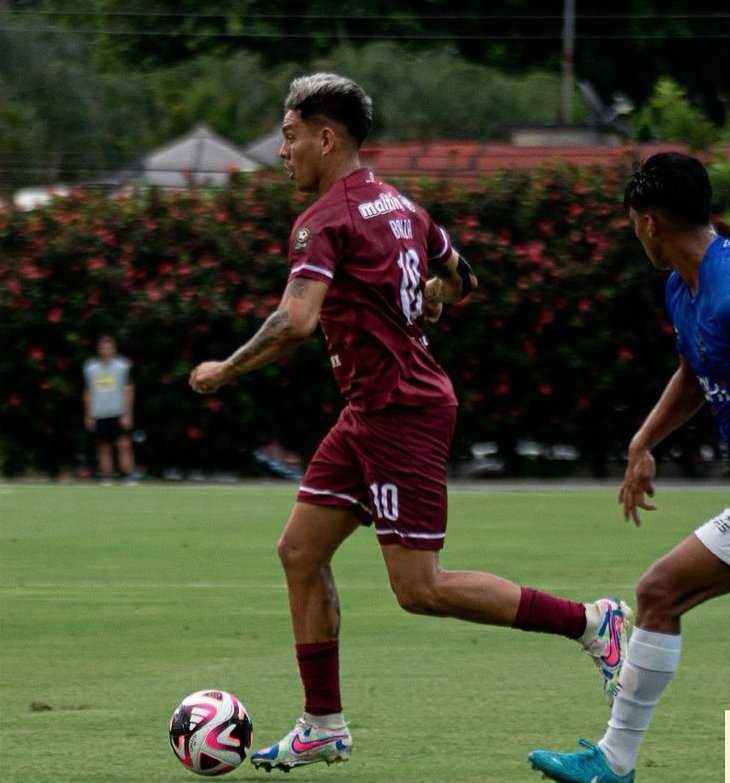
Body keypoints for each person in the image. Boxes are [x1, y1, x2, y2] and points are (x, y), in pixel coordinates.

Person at [189, 72, 631, 773]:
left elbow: (295, 320)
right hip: (371, 410)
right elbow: (464, 277)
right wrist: (435, 292)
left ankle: (590, 621)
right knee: (300, 551)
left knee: (420, 588)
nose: (281, 151)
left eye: (290, 135)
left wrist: (225, 369)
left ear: (326, 138)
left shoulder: (324, 219)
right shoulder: (402, 206)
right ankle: (322, 724)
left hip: (401, 411)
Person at [528, 152, 730, 783]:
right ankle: (614, 761)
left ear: (648, 221)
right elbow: (695, 372)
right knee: (659, 592)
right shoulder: (684, 288)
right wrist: (643, 442)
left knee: (659, 590)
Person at [83, 334, 136, 483]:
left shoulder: (122, 365)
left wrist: (127, 413)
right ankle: (106, 476)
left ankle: (128, 475)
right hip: (99, 412)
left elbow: (128, 389)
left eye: (109, 348)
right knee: (103, 446)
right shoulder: (90, 367)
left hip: (118, 411)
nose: (106, 350)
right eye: (103, 348)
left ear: (114, 349)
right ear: (98, 349)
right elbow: (88, 391)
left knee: (124, 444)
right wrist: (88, 414)